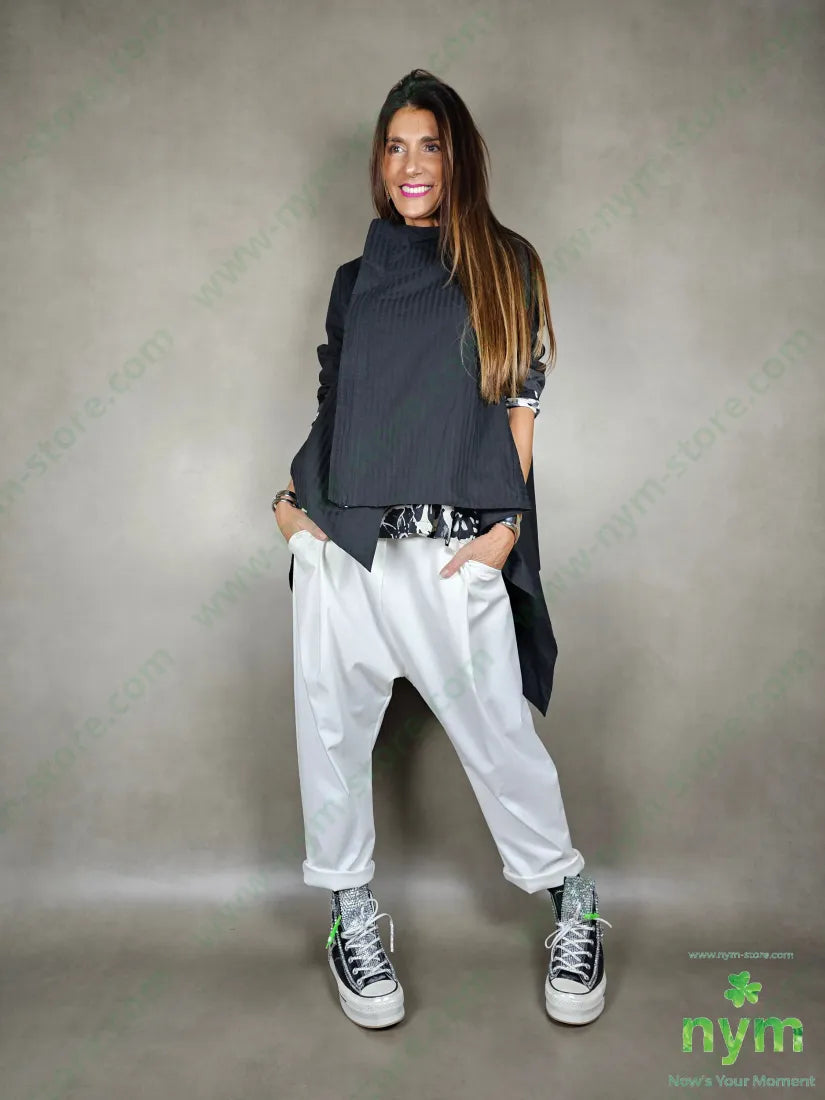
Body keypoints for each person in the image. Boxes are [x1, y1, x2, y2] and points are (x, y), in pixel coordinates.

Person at [273, 69, 611, 1031]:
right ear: (378, 164)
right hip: (345, 548)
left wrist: (504, 531)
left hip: (453, 551)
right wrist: (291, 513)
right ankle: (350, 914)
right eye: (394, 146)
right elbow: (336, 406)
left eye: (428, 145)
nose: (410, 164)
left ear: (458, 157)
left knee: (500, 741)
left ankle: (574, 901)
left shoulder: (506, 264)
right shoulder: (353, 282)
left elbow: (519, 402)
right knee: (330, 739)